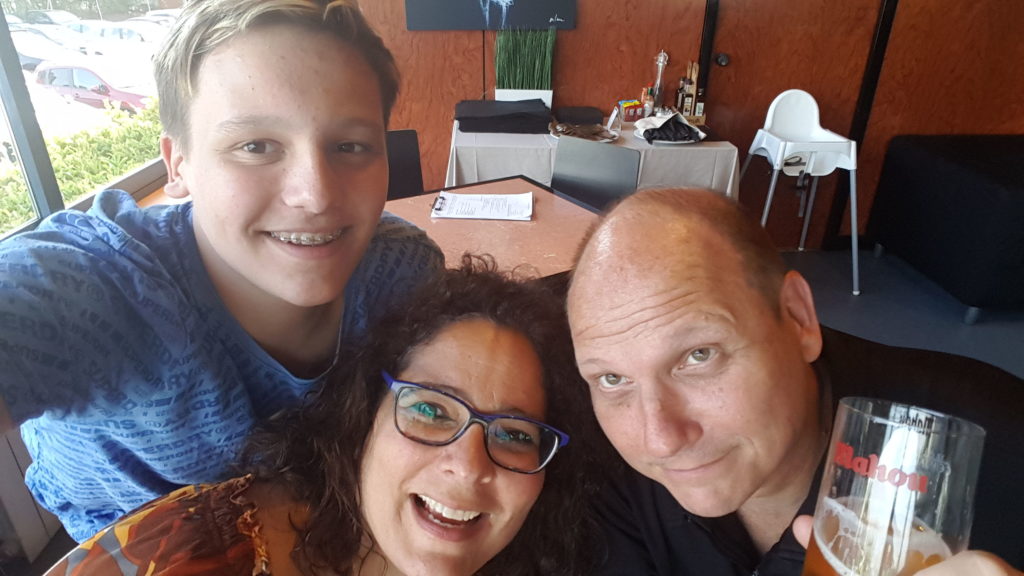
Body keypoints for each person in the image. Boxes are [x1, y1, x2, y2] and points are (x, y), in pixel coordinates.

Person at [0, 0, 443, 542]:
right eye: (255, 146)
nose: (316, 195)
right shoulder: (96, 284)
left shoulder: (402, 273)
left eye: (350, 146)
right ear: (178, 164)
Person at [566, 188, 1024, 575]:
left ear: (799, 318)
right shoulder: (603, 467)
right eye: (612, 378)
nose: (661, 440)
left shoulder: (1004, 455)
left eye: (699, 355)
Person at [44, 257, 597, 576]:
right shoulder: (187, 555)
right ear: (363, 418)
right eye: (430, 409)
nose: (469, 466)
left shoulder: (545, 554)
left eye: (514, 434)